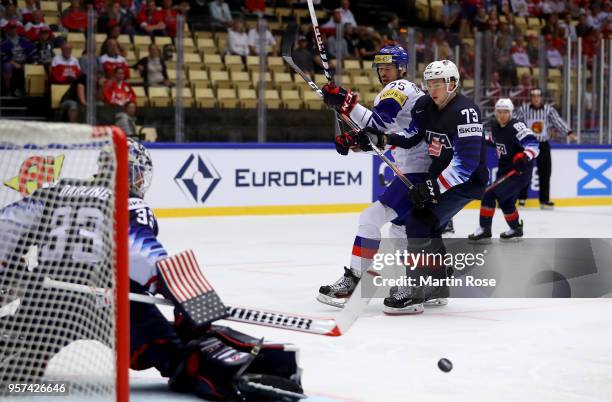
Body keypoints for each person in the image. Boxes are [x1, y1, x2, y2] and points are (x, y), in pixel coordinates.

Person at [0, 136, 304, 401]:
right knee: (179, 361)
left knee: (14, 375)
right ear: (132, 172)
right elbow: (141, 254)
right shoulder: (127, 202)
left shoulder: (52, 193)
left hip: (45, 301)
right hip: (112, 303)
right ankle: (237, 379)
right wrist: (195, 302)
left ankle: (48, 391)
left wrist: (10, 278)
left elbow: (5, 228)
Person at [316, 46, 430, 308]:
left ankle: (353, 282)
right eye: (379, 67)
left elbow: (377, 124)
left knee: (371, 218)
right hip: (417, 169)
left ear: (401, 68)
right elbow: (383, 138)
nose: (382, 72)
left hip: (415, 171)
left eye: (387, 67)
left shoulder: (399, 88)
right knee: (400, 229)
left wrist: (347, 103)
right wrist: (355, 135)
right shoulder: (409, 94)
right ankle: (418, 285)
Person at [383, 60, 489, 314]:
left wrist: (432, 187)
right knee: (430, 224)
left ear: (452, 84)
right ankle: (438, 286)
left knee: (418, 221)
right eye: (429, 83)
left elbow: (466, 164)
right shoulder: (425, 107)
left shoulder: (466, 112)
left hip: (467, 181)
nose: (432, 89)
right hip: (440, 175)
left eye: (438, 83)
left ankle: (415, 288)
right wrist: (380, 138)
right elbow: (411, 137)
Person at [468, 98, 539, 243]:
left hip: (518, 172)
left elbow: (533, 144)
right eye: (499, 112)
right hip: (505, 170)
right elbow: (495, 141)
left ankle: (484, 229)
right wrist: (479, 139)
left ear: (511, 112)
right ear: (495, 112)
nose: (502, 115)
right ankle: (516, 229)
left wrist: (525, 156)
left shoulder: (517, 126)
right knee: (506, 202)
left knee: (488, 194)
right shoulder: (495, 125)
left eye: (506, 112)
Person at [515, 88, 575, 209]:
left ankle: (544, 200)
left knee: (545, 172)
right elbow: (514, 121)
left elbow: (558, 121)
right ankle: (521, 199)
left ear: (541, 97)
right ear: (531, 98)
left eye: (538, 96)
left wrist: (568, 132)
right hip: (528, 145)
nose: (536, 98)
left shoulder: (549, 110)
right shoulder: (523, 109)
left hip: (543, 144)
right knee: (525, 171)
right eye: (533, 96)